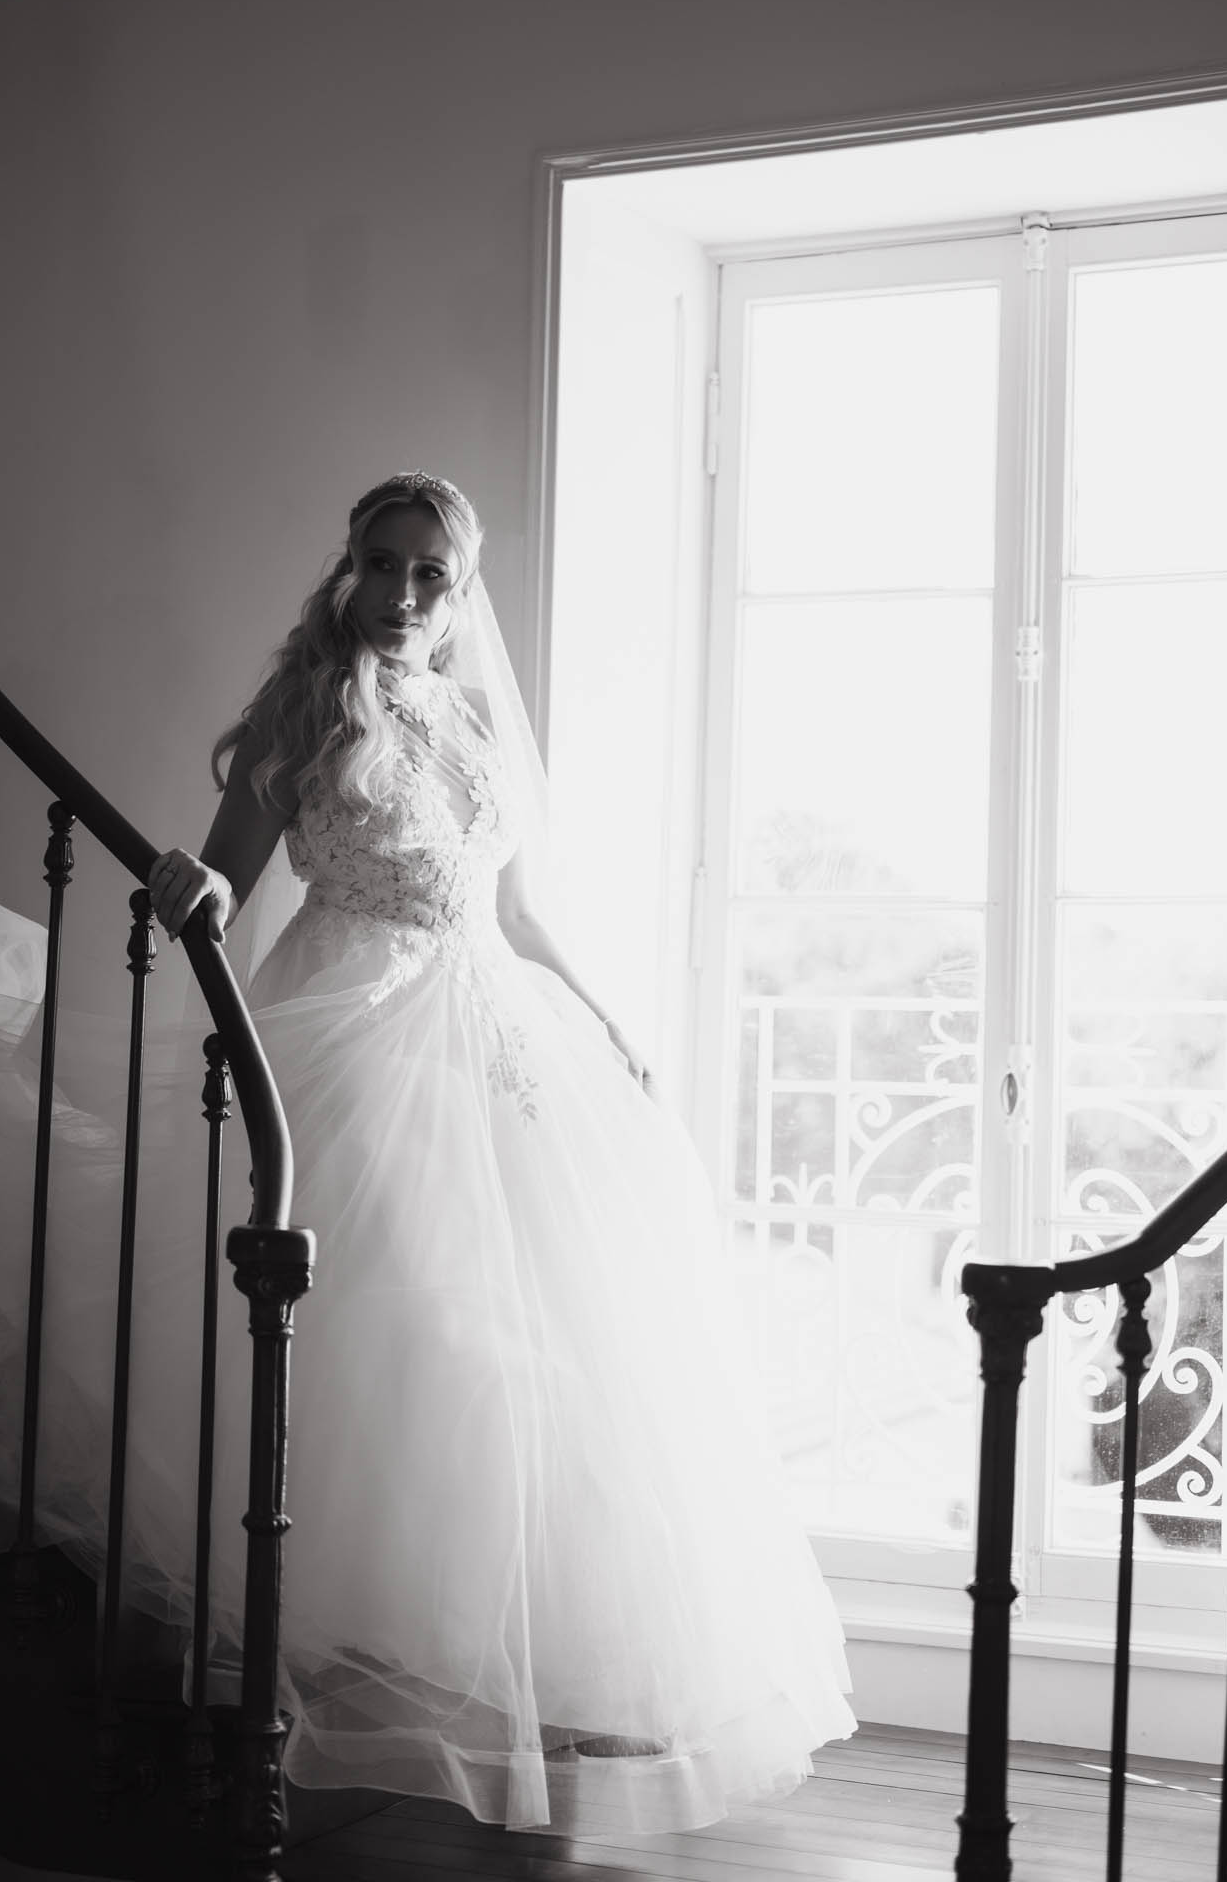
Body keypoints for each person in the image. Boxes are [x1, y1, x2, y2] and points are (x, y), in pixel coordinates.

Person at [142, 471, 855, 1836]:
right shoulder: (308, 706)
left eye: (429, 573)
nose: (403, 594)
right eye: (382, 563)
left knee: (558, 1340)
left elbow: (514, 908)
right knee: (410, 1333)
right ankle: (336, 1654)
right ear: (347, 567)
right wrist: (195, 884)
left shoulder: (474, 718)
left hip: (497, 1032)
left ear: (461, 590)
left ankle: (490, 1671)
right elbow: (233, 882)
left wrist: (602, 1022)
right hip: (356, 1024)